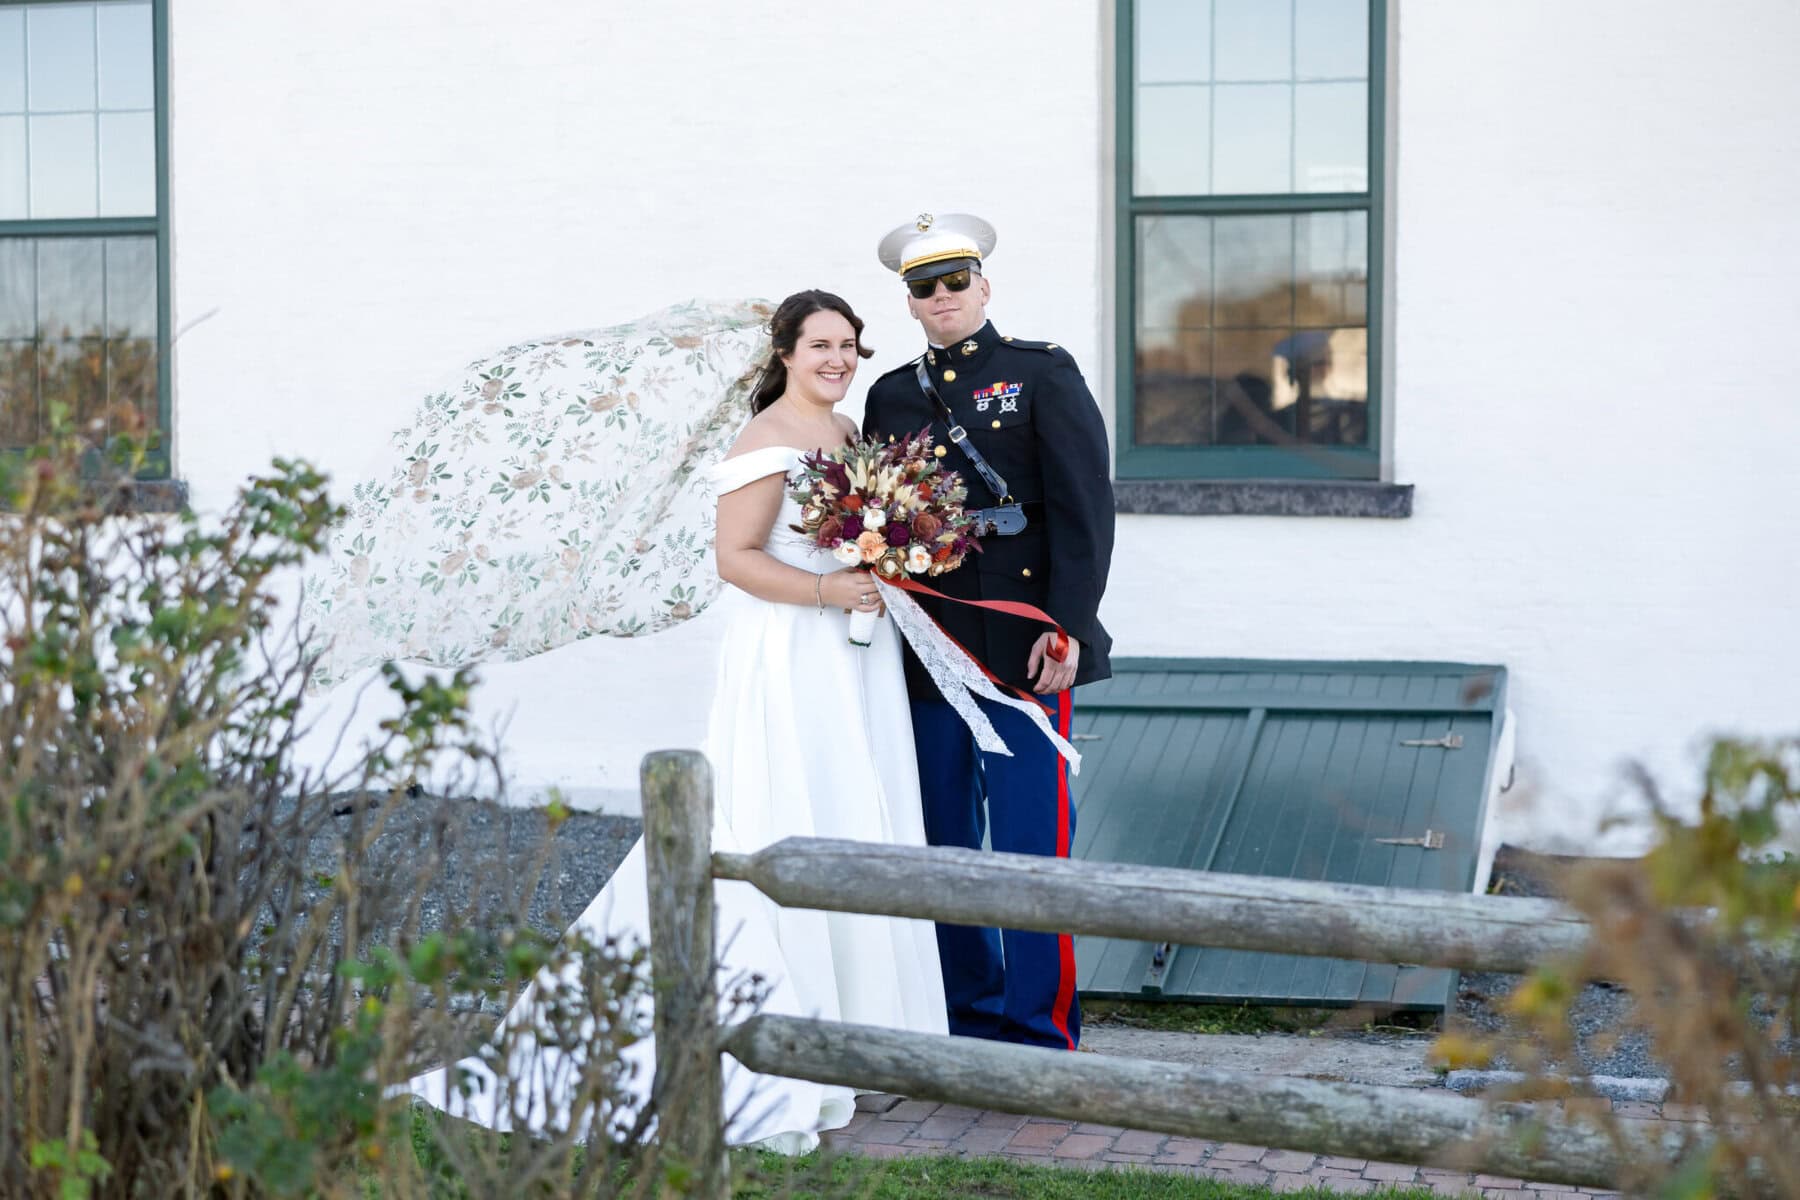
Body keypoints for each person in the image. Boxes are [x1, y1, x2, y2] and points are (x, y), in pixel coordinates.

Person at [407, 290, 947, 1152]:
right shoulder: (763, 440)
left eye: (849, 345)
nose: (838, 360)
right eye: (820, 345)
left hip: (857, 655)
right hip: (791, 651)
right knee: (788, 806)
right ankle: (782, 1032)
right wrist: (825, 589)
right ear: (785, 352)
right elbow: (735, 560)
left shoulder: (849, 436)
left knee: (860, 800)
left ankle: (863, 1027)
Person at [861, 213, 1115, 1051]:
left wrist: (1071, 628)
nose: (943, 298)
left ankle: (1039, 1031)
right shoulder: (891, 394)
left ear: (984, 285)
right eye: (924, 288)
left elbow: (1086, 512)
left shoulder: (1040, 373)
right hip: (931, 643)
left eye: (955, 281)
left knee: (1031, 841)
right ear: (908, 302)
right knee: (942, 837)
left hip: (1024, 645)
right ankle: (964, 1016)